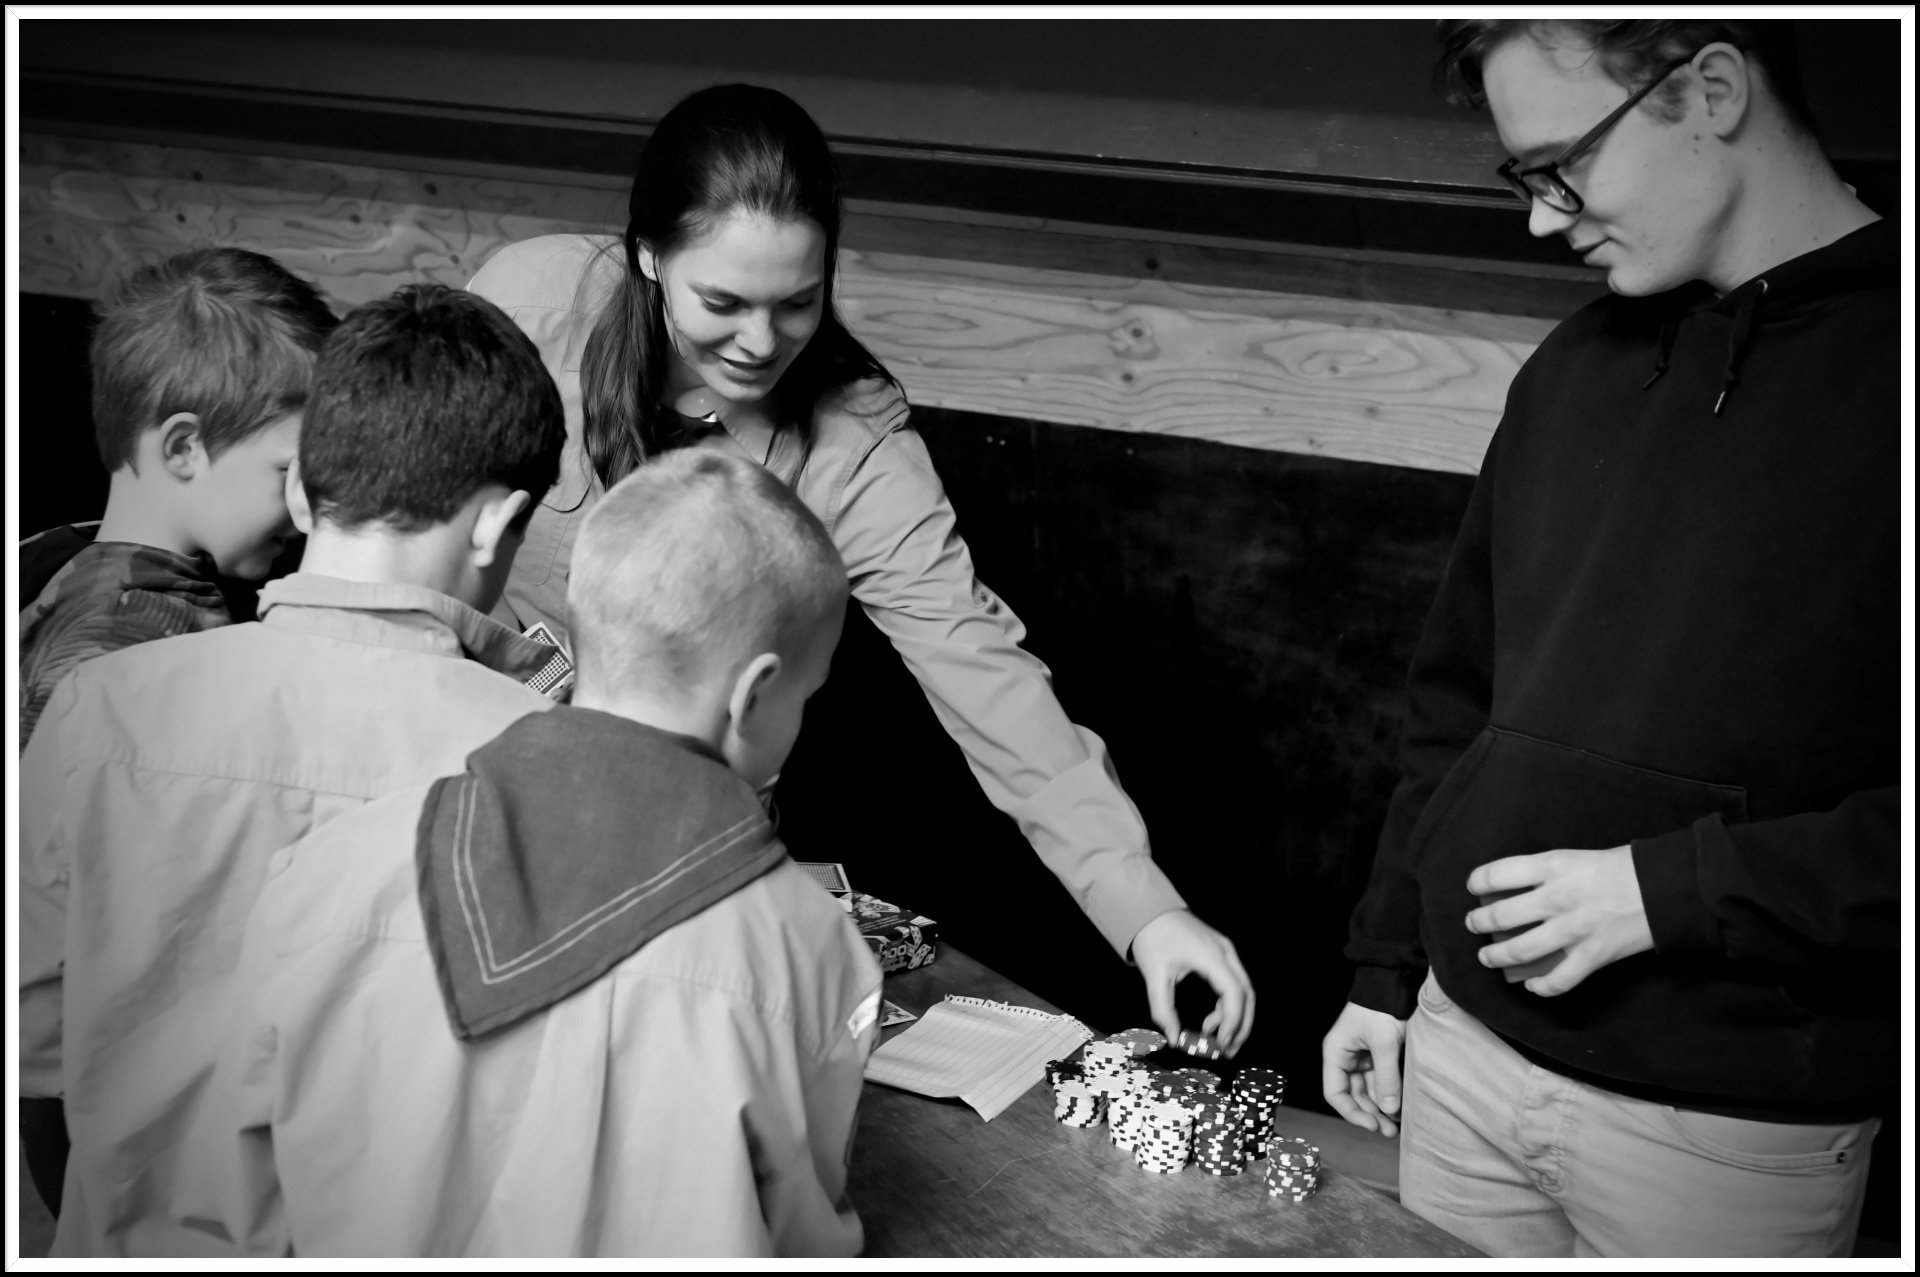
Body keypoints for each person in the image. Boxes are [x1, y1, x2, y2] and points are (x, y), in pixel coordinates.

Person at [468, 82, 1254, 1053]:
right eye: (722, 302)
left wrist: (1146, 908)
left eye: (798, 303)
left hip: (683, 874)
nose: (762, 342)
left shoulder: (854, 443)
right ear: (648, 256)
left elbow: (985, 671)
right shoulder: (526, 301)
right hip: (477, 800)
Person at [1319, 20, 1897, 1258]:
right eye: (1523, 177)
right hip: (1462, 1054)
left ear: (1713, 89)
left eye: (1564, 165)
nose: (1544, 218)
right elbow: (1455, 699)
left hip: (1726, 1130)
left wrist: (1672, 891)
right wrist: (1385, 965)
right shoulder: (1573, 365)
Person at [209, 449, 879, 1257]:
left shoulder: (328, 869)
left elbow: (249, 1198)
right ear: (755, 695)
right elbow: (806, 1233)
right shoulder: (811, 946)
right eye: (809, 694)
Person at [18, 283, 568, 1257]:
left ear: (305, 492)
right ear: (499, 525)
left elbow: (33, 1040)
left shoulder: (100, 706)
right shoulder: (543, 759)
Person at [19, 247, 337, 749]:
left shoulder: (50, 564)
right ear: (185, 448)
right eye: (289, 470)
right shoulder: (128, 649)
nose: (309, 508)